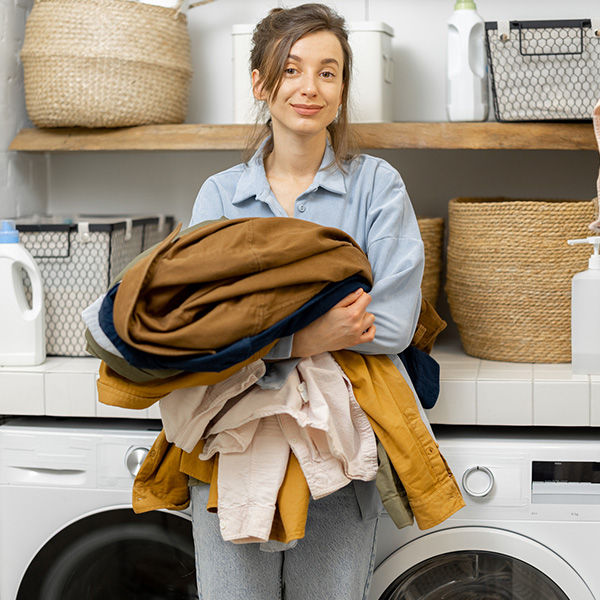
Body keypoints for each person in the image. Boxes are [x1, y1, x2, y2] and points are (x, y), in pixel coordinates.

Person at [188, 4, 426, 599]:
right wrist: (311, 336)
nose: (309, 87)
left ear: (343, 89)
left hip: (340, 456)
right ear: (261, 83)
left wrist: (259, 333)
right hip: (235, 447)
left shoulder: (376, 185)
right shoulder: (221, 196)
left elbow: (391, 323)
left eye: (328, 71)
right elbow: (200, 331)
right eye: (290, 69)